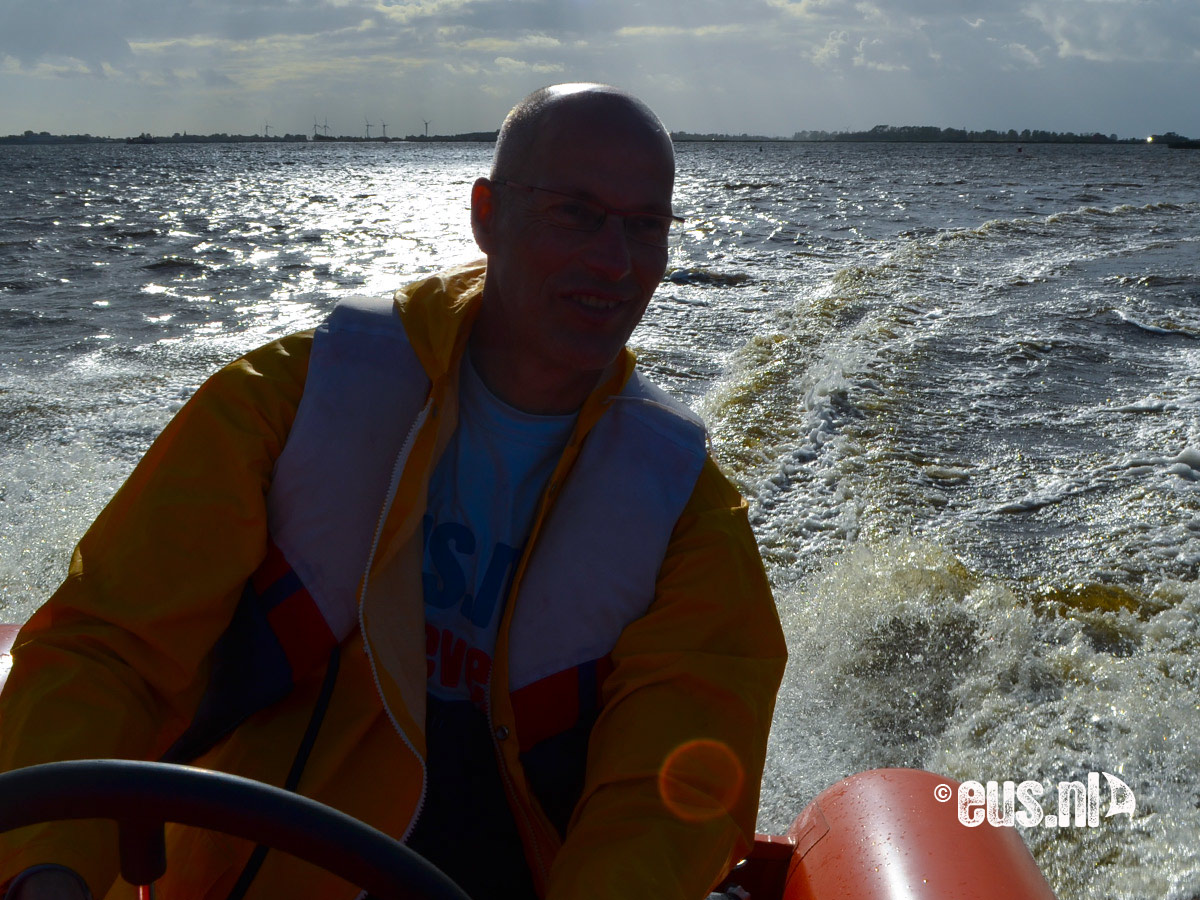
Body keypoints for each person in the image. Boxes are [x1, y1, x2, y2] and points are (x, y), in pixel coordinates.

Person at [0, 84, 787, 900]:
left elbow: (665, 798)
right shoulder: (287, 406)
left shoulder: (688, 517)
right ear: (486, 215)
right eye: (576, 214)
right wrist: (47, 867)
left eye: (645, 226)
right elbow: (110, 649)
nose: (615, 262)